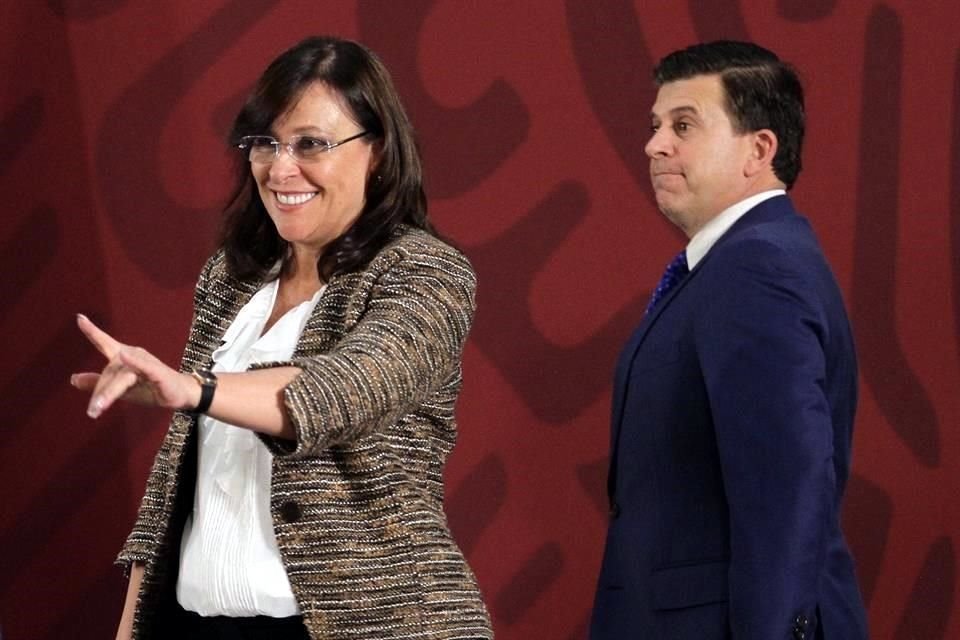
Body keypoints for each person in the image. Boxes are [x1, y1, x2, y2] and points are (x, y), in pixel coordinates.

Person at [71, 36, 493, 640]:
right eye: (264, 143)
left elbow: (345, 387)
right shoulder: (231, 277)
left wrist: (197, 389)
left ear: (376, 151)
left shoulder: (426, 272)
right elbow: (176, 482)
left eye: (311, 144)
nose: (280, 167)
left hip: (371, 623)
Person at [589, 41, 868, 639]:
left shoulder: (757, 269)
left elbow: (786, 492)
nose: (654, 144)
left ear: (759, 150)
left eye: (683, 125)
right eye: (656, 125)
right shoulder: (736, 265)